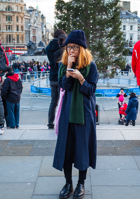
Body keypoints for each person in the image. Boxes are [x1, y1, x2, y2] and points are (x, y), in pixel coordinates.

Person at [53, 30, 98, 199]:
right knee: (67, 150)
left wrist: (80, 78)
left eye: (75, 47)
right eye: (69, 47)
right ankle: (68, 183)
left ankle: (81, 184)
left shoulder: (90, 66)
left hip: (84, 114)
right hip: (66, 113)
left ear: (82, 49)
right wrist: (69, 70)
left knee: (82, 150)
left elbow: (91, 91)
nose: (71, 50)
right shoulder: (63, 65)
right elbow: (63, 86)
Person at [46, 29, 66, 129]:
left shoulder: (48, 48)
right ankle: (61, 122)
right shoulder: (62, 47)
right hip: (61, 76)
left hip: (52, 76)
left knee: (53, 101)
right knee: (63, 100)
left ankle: (50, 122)